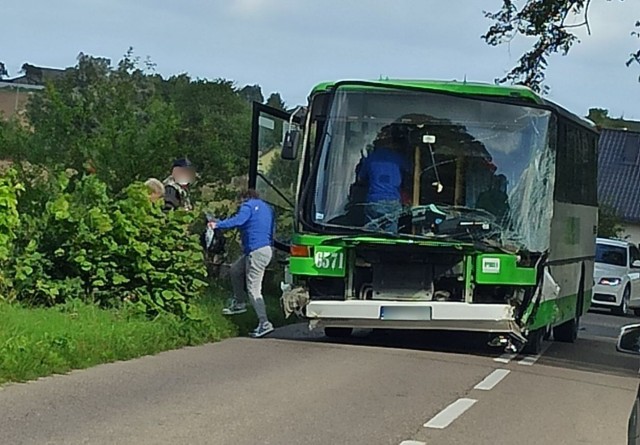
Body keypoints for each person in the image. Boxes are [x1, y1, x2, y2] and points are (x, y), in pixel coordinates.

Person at [209, 189, 276, 338]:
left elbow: (238, 220)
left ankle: (264, 323)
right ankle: (239, 303)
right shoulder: (268, 208)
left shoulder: (248, 206)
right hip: (265, 249)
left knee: (254, 289)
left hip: (255, 251)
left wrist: (217, 224)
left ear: (244, 198)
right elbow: (272, 230)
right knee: (235, 270)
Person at [357, 125, 411, 233]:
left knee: (370, 236)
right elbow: (412, 171)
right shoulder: (398, 158)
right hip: (392, 202)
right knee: (389, 237)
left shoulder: (371, 158)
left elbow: (360, 179)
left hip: (373, 201)